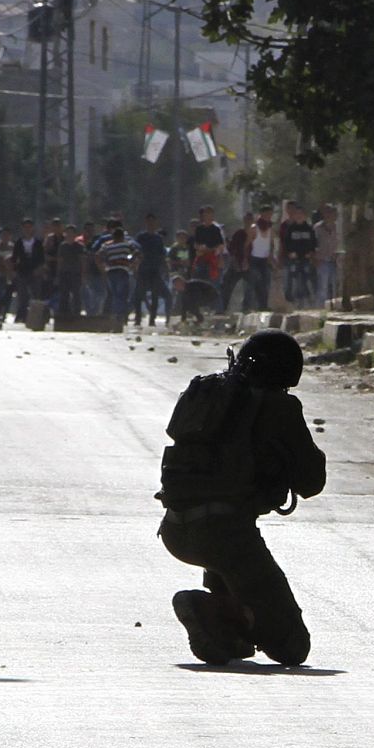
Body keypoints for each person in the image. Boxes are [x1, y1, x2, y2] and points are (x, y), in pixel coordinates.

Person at [159, 329, 326, 665]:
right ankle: (212, 606)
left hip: (176, 529)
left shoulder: (204, 392)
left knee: (235, 633)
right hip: (227, 536)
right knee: (293, 647)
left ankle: (226, 619)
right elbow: (312, 481)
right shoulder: (278, 405)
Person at [97, 223, 141, 325]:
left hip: (111, 272)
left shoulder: (107, 245)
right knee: (122, 295)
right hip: (123, 271)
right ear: (122, 236)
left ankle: (115, 317)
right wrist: (133, 265)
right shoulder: (127, 244)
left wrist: (103, 268)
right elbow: (138, 253)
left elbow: (97, 255)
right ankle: (121, 317)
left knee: (114, 295)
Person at [134, 213, 171, 327]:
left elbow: (162, 255)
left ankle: (152, 319)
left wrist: (166, 269)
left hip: (155, 270)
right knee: (138, 295)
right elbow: (135, 251)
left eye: (153, 222)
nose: (151, 224)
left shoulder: (158, 238)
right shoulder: (141, 237)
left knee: (156, 295)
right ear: (146, 222)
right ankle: (138, 318)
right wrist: (135, 267)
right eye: (149, 222)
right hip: (143, 269)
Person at [280, 202, 317, 306]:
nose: (299, 216)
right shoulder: (290, 229)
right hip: (294, 259)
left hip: (306, 259)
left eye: (301, 214)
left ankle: (307, 299)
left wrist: (311, 253)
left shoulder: (309, 229)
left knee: (306, 279)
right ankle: (295, 301)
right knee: (294, 280)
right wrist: (289, 253)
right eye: (297, 214)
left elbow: (314, 243)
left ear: (305, 216)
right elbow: (286, 243)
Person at [11, 218, 46, 322]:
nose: (27, 229)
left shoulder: (38, 243)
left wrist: (39, 270)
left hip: (34, 272)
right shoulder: (18, 242)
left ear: (32, 228)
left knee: (36, 295)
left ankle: (36, 317)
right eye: (25, 227)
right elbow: (14, 258)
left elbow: (42, 259)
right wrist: (14, 271)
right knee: (22, 296)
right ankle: (21, 316)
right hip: (22, 271)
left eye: (29, 227)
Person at [219, 212, 255, 313]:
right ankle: (222, 308)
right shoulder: (239, 233)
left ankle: (247, 307)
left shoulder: (255, 234)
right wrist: (235, 262)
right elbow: (233, 249)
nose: (248, 222)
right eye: (247, 220)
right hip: (237, 264)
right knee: (227, 286)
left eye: (250, 220)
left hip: (249, 265)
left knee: (251, 285)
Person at [246, 205, 277, 311]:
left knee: (265, 283)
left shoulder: (270, 229)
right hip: (254, 259)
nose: (268, 216)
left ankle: (263, 306)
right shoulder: (254, 228)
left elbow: (272, 244)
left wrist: (271, 256)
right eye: (267, 214)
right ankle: (248, 306)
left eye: (270, 215)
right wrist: (246, 260)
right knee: (254, 283)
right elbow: (247, 245)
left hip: (265, 260)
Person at [311, 203, 340, 306]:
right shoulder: (317, 228)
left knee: (335, 285)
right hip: (322, 260)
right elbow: (313, 244)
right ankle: (321, 307)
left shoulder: (338, 227)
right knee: (323, 285)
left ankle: (334, 306)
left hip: (335, 260)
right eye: (327, 212)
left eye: (331, 212)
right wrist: (314, 259)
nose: (329, 215)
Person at [55, 222, 85, 319]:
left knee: (76, 294)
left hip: (76, 273)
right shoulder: (62, 246)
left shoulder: (79, 246)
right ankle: (63, 313)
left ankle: (76, 313)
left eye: (72, 233)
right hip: (64, 272)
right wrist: (58, 274)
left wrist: (83, 274)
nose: (70, 235)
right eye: (68, 232)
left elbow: (82, 261)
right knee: (64, 294)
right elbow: (60, 260)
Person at [190, 205, 226, 285]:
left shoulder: (216, 229)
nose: (207, 215)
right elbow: (196, 244)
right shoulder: (199, 229)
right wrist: (200, 248)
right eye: (206, 213)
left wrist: (219, 256)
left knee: (213, 283)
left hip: (213, 258)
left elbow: (220, 245)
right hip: (201, 257)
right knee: (198, 280)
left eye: (209, 213)